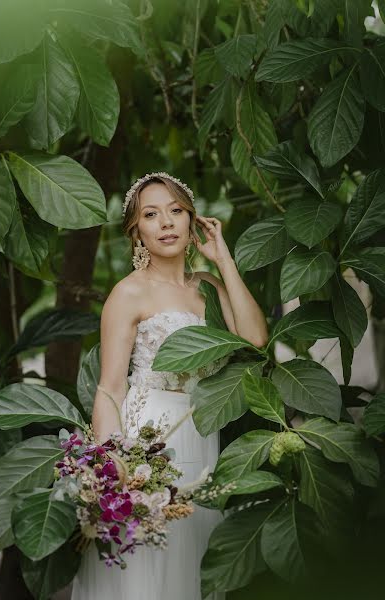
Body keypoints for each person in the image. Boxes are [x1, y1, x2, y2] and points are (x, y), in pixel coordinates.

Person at [71, 172, 268, 600]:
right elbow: (108, 388)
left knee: (191, 561)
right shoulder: (128, 294)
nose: (166, 222)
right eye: (151, 214)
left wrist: (224, 261)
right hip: (148, 440)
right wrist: (113, 471)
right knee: (147, 565)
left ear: (192, 220)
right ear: (136, 230)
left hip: (203, 433)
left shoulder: (211, 288)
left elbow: (255, 339)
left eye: (176, 211)